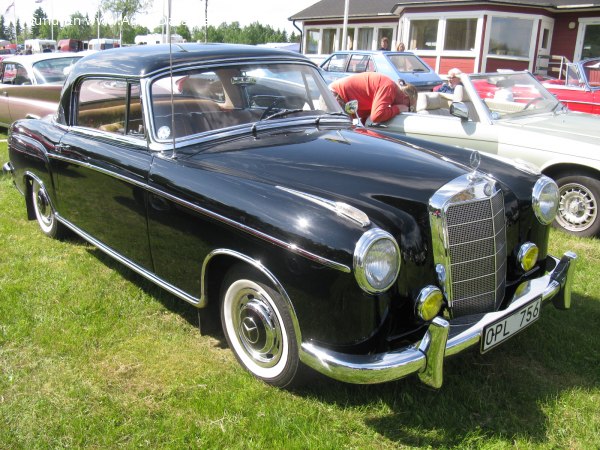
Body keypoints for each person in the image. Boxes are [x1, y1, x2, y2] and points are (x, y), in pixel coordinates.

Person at [329, 72, 417, 124]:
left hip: (339, 98)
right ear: (405, 98)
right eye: (409, 107)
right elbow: (376, 116)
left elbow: (367, 116)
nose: (406, 109)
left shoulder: (388, 88)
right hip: (335, 97)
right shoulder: (390, 88)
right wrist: (398, 109)